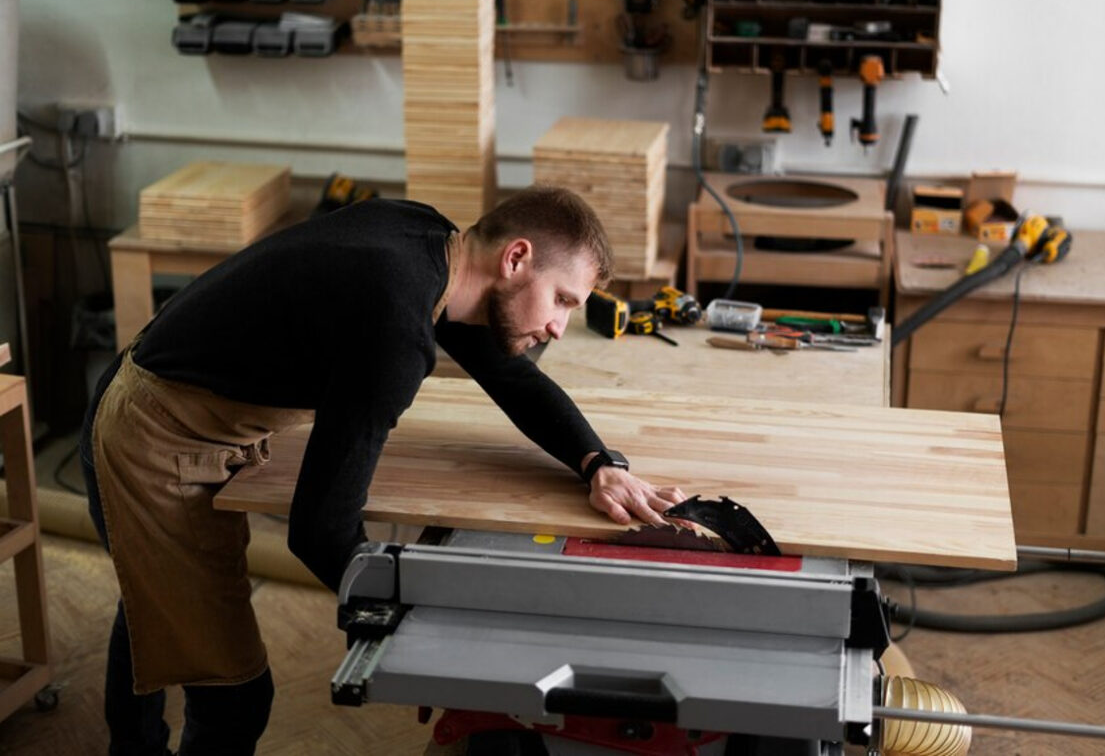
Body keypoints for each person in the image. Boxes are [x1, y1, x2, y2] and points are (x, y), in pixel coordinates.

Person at [79, 185, 687, 755]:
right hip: (156, 435)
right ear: (517, 258)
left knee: (155, 603)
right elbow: (319, 531)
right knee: (236, 695)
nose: (558, 326)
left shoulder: (430, 242)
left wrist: (598, 463)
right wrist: (419, 626)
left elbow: (508, 375)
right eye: (562, 300)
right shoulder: (395, 326)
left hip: (161, 389)